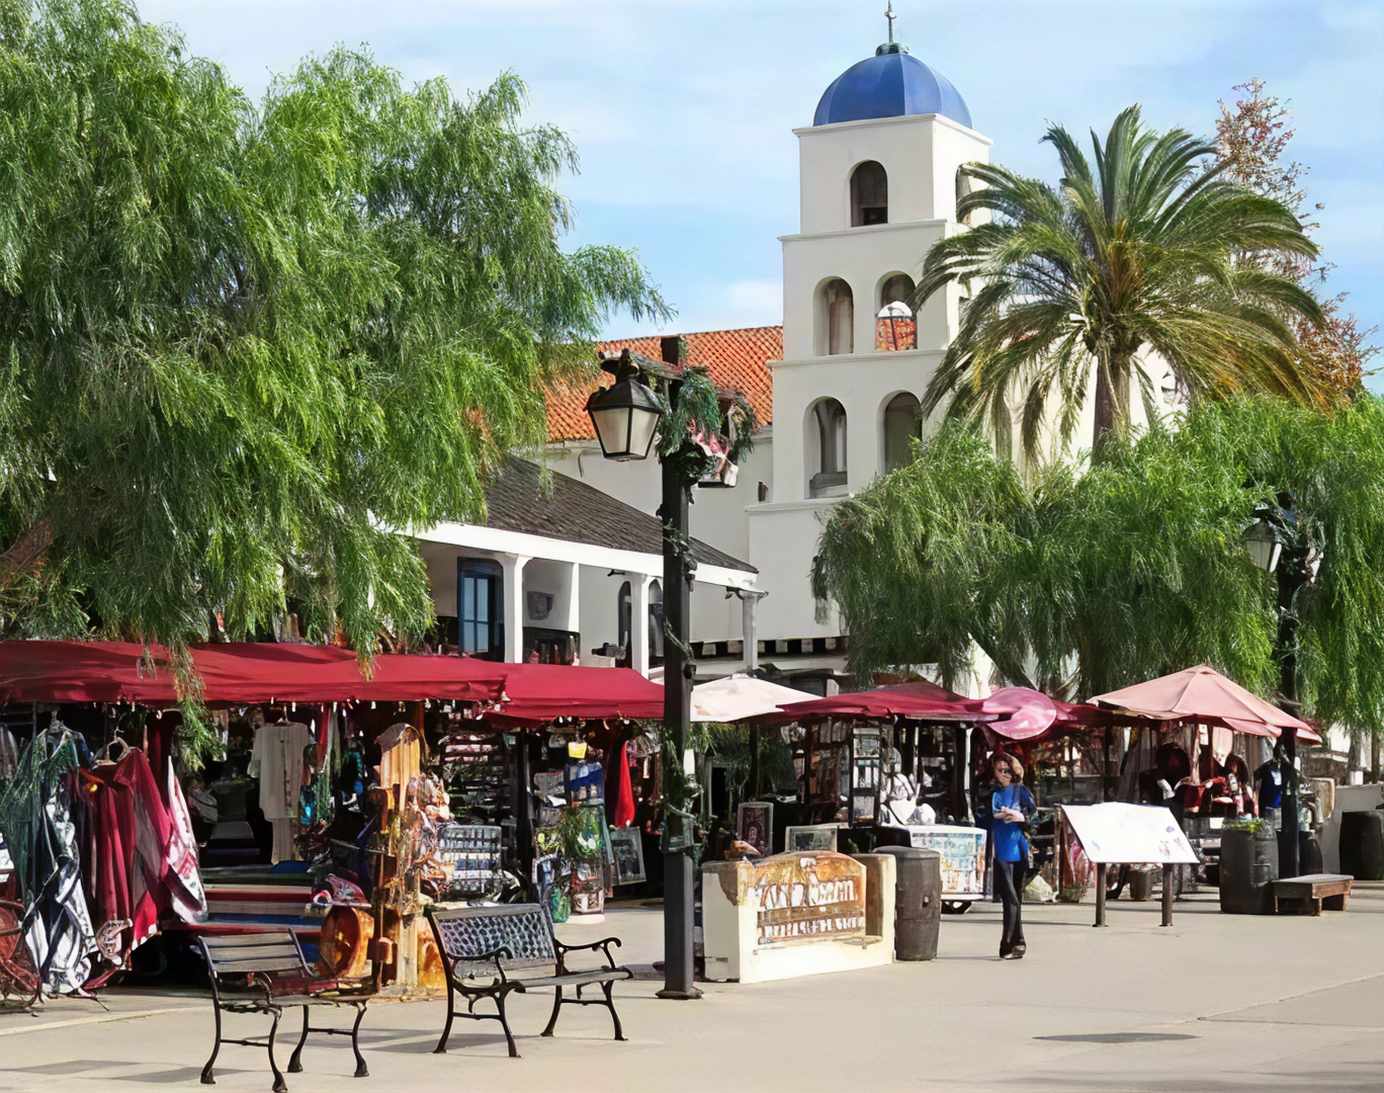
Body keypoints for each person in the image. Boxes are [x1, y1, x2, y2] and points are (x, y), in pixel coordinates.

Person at [990, 751, 1035, 960]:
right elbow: (985, 815)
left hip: (1019, 848)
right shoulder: (992, 793)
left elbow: (1035, 816)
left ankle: (1016, 943)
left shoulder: (1021, 791)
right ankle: (1010, 943)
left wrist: (1020, 816)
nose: (1003, 774)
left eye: (1006, 770)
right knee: (1010, 898)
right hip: (1001, 849)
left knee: (1015, 898)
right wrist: (999, 815)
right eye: (999, 770)